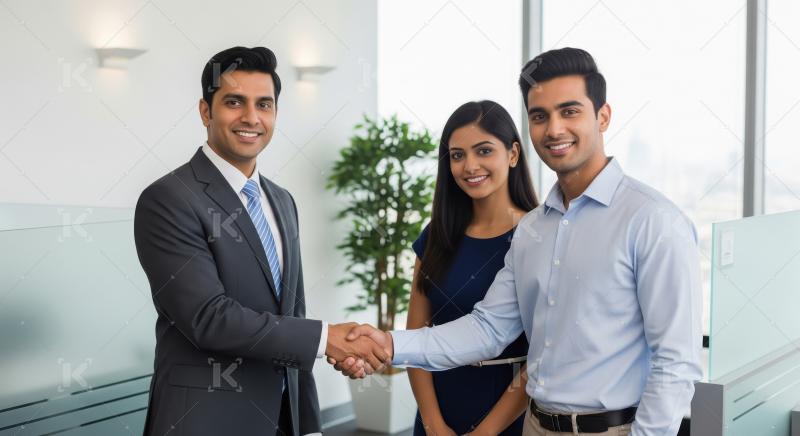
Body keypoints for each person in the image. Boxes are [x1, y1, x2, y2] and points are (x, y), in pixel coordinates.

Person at [332, 47, 703, 436]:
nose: (554, 129)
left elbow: (675, 364)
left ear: (603, 116)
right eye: (540, 116)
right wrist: (386, 343)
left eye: (570, 111)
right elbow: (487, 330)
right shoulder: (532, 232)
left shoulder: (654, 221)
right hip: (535, 426)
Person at [134, 46, 389, 436]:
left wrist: (309, 423)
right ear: (206, 111)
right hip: (203, 419)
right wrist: (326, 340)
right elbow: (208, 318)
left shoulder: (282, 201)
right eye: (234, 102)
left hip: (283, 420)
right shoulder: (169, 198)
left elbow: (293, 315)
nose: (251, 118)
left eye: (264, 104)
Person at [408, 100, 536, 435]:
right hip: (438, 410)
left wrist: (487, 431)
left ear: (512, 154)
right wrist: (433, 423)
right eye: (457, 155)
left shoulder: (539, 236)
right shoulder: (436, 235)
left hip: (510, 416)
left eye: (483, 151)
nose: (470, 166)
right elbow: (415, 337)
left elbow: (543, 354)